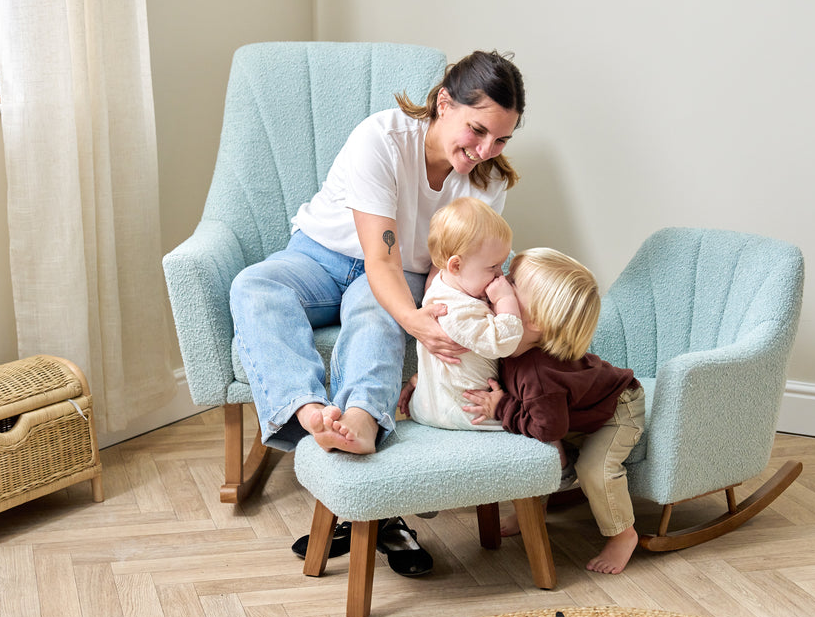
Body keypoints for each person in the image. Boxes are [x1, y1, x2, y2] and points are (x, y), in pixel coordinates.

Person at [228, 50, 526, 575]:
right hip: (321, 255)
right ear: (443, 103)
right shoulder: (382, 138)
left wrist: (449, 318)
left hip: (402, 274)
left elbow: (458, 269)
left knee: (374, 308)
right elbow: (379, 254)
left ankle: (360, 421)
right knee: (255, 285)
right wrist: (414, 321)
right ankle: (308, 410)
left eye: (500, 139)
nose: (485, 150)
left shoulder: (488, 181)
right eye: (477, 130)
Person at [461, 248, 646, 575]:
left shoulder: (539, 374)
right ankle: (533, 508)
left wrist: (501, 406)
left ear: (534, 320)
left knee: (593, 469)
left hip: (617, 410)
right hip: (568, 410)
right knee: (535, 445)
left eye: (512, 282)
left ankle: (622, 534)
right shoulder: (511, 339)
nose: (500, 281)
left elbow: (546, 428)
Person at [403, 197, 522, 431]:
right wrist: (505, 300)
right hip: (463, 410)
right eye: (493, 267)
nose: (501, 275)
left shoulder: (445, 285)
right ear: (455, 266)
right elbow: (504, 342)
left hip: (436, 403)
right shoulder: (455, 310)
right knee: (529, 421)